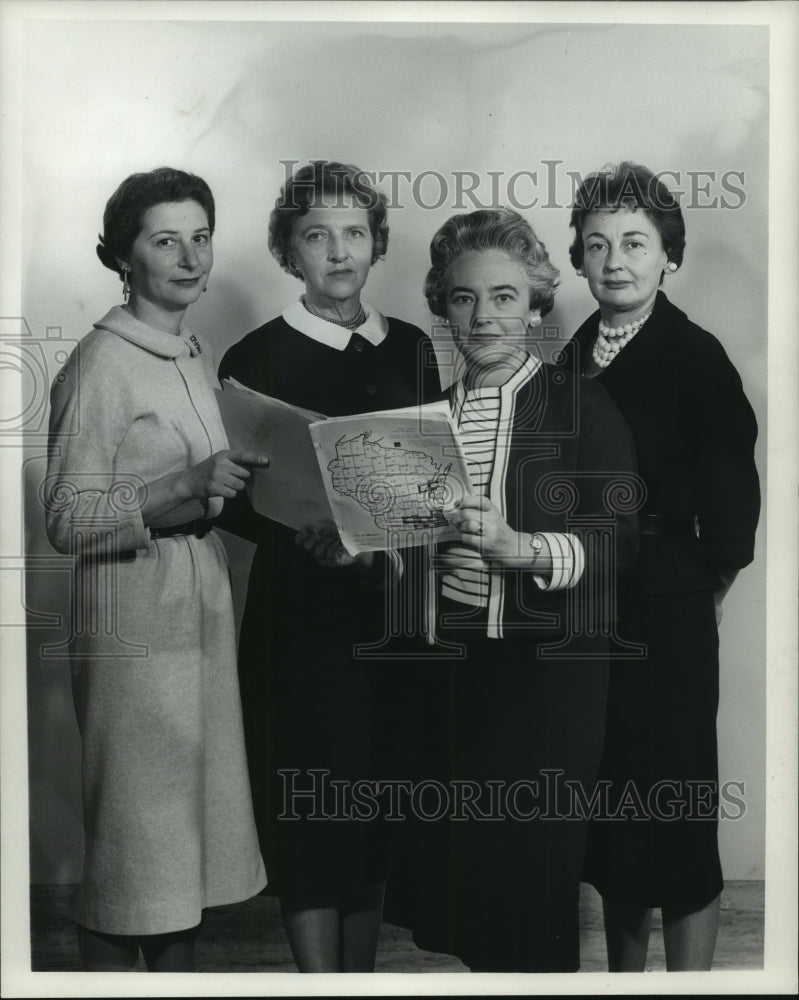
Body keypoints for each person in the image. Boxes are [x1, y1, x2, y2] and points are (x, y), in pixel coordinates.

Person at [384, 208, 640, 972]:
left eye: (503, 296)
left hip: (545, 684)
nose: (483, 315)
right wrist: (403, 564)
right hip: (451, 678)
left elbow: (620, 543)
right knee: (467, 895)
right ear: (443, 306)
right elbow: (409, 548)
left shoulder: (581, 405)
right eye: (464, 298)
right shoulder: (427, 418)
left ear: (534, 304)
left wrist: (519, 549)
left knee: (532, 893)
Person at [216, 160, 443, 972]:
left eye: (353, 233)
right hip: (298, 622)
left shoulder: (412, 347)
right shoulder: (254, 355)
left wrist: (379, 535)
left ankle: (360, 982)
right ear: (289, 252)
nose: (338, 252)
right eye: (317, 235)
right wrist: (304, 526)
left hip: (388, 615)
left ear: (376, 244)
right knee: (312, 813)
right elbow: (233, 496)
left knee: (374, 809)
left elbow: (432, 488)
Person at [44, 167, 267, 972]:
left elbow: (209, 489)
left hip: (196, 602)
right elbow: (67, 519)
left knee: (179, 856)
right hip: (132, 616)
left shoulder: (185, 353)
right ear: (122, 257)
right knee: (133, 856)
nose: (188, 256)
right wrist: (179, 484)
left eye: (200, 237)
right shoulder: (102, 362)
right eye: (164, 239)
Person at [565, 162, 760, 971]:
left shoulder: (695, 355)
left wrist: (698, 586)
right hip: (582, 600)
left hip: (666, 607)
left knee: (672, 812)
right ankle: (622, 981)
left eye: (635, 243)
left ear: (668, 256)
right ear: (576, 258)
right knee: (611, 813)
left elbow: (730, 510)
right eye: (598, 243)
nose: (615, 260)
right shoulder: (572, 350)